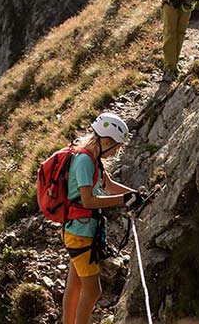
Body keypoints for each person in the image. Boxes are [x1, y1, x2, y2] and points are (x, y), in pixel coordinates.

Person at [62, 112, 143, 324]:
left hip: (79, 230)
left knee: (76, 285)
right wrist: (123, 200)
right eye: (115, 146)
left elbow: (108, 186)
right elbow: (88, 201)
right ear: (105, 141)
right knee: (93, 292)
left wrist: (136, 196)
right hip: (81, 234)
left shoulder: (92, 159)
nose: (116, 152)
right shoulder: (85, 162)